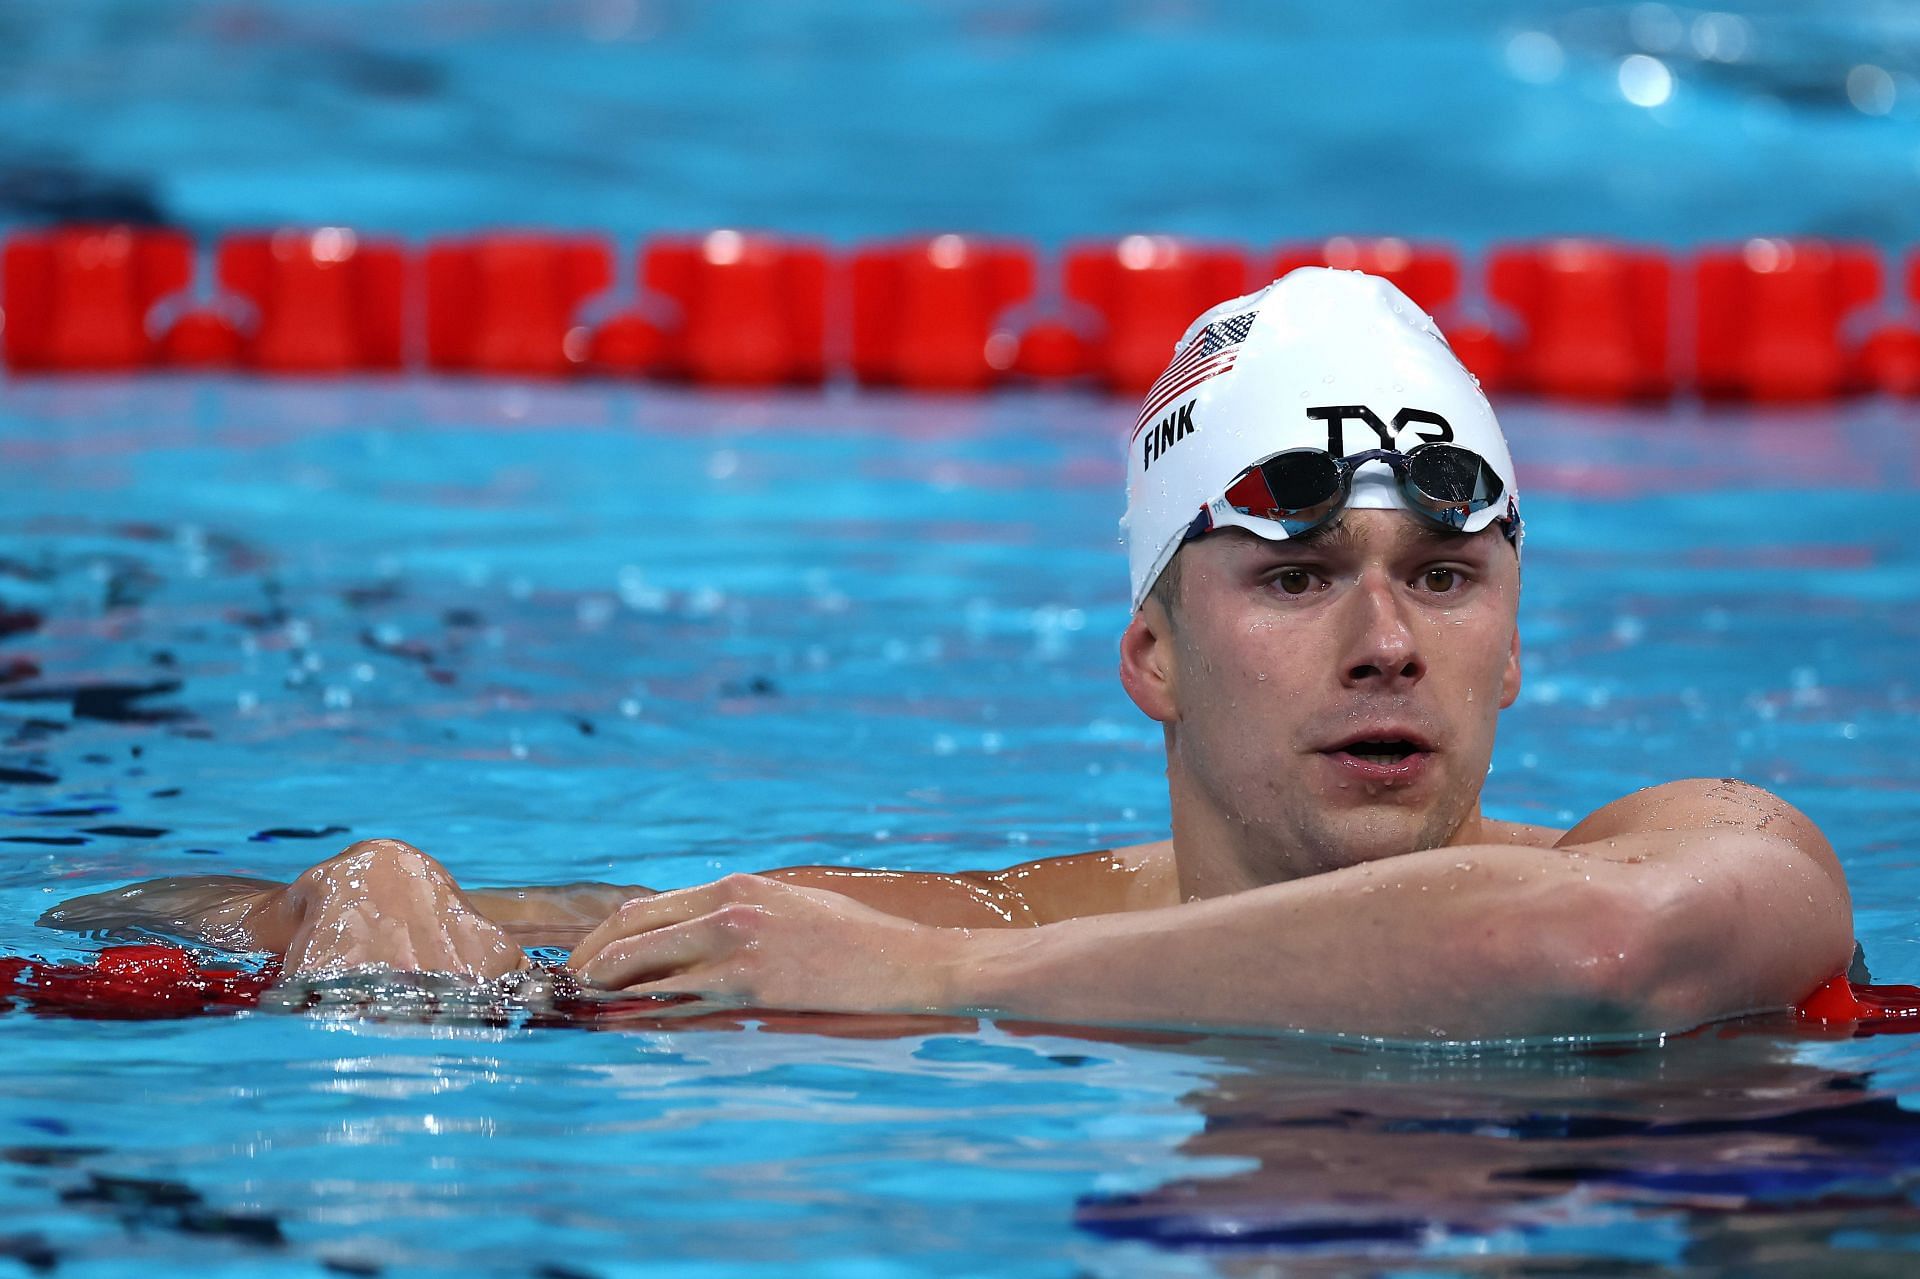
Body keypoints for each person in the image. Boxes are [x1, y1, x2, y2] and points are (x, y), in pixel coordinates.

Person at [43, 268, 1854, 1040]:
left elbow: (1609, 950)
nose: (1386, 642)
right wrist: (344, 902)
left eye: (1446, 579)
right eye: (1294, 581)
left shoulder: (1686, 850)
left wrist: (929, 996)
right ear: (1151, 651)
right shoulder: (985, 915)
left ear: (1518, 649)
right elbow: (127, 913)